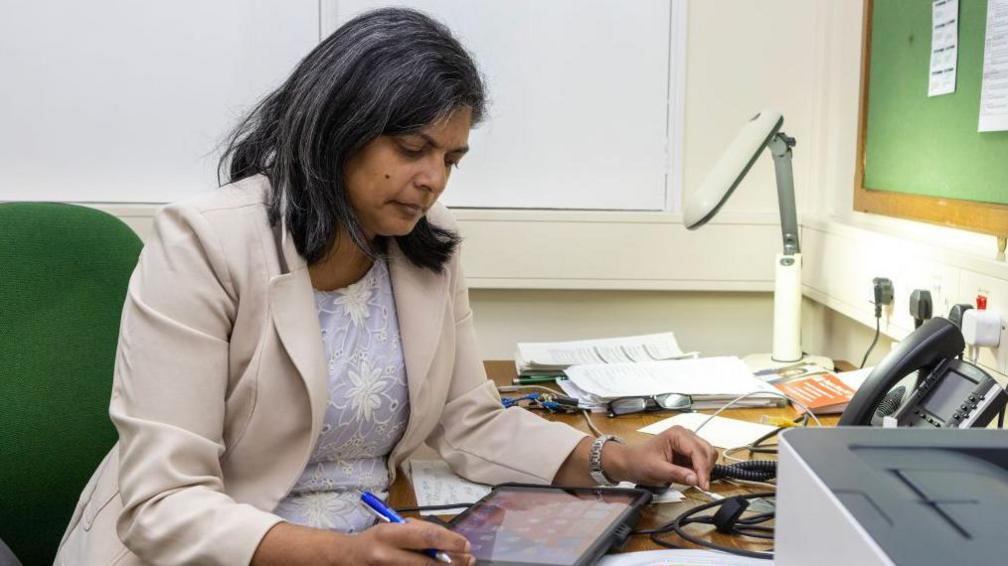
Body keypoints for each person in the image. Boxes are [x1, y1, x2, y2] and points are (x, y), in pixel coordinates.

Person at [55, 8, 717, 566]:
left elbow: (471, 423)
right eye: (411, 149)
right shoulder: (204, 244)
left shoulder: (427, 244)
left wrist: (616, 457)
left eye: (450, 160)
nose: (433, 179)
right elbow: (163, 504)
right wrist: (340, 553)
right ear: (340, 130)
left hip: (370, 534)